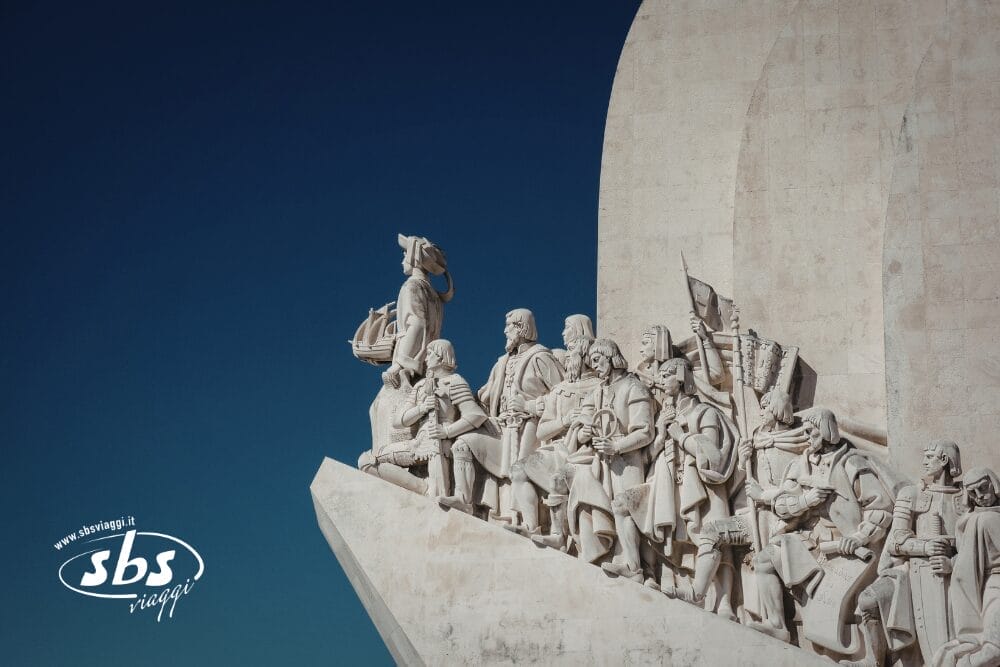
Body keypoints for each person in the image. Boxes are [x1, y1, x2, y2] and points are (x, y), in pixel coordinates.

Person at [750, 408, 893, 649]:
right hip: (811, 539)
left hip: (845, 545)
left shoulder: (851, 462)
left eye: (811, 431)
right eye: (804, 431)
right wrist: (807, 500)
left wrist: (860, 537)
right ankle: (777, 625)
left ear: (826, 431)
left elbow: (880, 508)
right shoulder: (800, 465)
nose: (806, 436)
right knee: (764, 559)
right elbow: (781, 505)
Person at [845, 441, 964, 667]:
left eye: (929, 457)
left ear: (945, 460)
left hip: (955, 571)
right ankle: (873, 660)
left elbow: (978, 543)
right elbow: (896, 542)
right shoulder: (911, 494)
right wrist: (924, 548)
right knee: (868, 600)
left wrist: (954, 561)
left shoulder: (966, 497)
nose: (924, 462)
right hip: (910, 572)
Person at [438, 309, 562, 524]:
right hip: (499, 428)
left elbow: (564, 394)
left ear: (522, 328)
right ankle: (462, 499)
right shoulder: (502, 362)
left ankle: (526, 523)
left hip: (528, 429)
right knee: (462, 445)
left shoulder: (541, 357)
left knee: (519, 473)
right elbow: (483, 394)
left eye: (510, 326)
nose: (505, 331)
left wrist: (531, 405)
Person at [571, 338, 654, 581]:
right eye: (591, 362)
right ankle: (614, 558)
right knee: (605, 508)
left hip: (626, 459)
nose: (593, 366)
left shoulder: (633, 387)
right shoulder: (597, 391)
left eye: (597, 360)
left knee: (624, 507)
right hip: (601, 458)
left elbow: (645, 431)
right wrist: (583, 432)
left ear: (610, 357)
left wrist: (616, 446)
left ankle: (636, 567)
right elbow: (584, 420)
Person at [358, 340, 486, 497]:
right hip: (418, 443)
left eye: (430, 354)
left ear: (441, 357)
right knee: (367, 461)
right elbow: (399, 421)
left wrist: (446, 432)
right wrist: (422, 408)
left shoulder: (454, 381)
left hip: (441, 441)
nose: (425, 359)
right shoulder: (420, 386)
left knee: (439, 492)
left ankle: (435, 492)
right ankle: (423, 489)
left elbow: (475, 415)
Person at [932, 467, 1000, 667]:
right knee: (993, 650)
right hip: (994, 585)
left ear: (993, 484)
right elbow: (968, 555)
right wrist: (951, 563)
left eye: (983, 488)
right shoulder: (974, 520)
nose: (980, 496)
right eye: (973, 493)